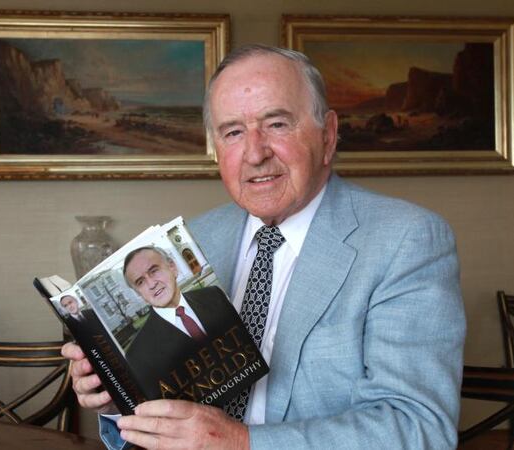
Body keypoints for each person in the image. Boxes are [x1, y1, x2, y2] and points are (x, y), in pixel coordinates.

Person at [62, 44, 465, 450]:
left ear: (328, 136)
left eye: (277, 124)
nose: (255, 154)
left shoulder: (405, 240)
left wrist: (240, 443)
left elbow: (419, 429)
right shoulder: (195, 239)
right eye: (233, 132)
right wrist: (122, 396)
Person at [121, 246, 239, 398]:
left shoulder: (214, 296)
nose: (151, 284)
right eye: (140, 282)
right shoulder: (137, 356)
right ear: (139, 293)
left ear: (173, 268)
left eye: (154, 271)